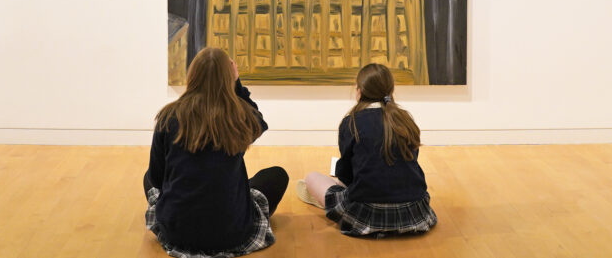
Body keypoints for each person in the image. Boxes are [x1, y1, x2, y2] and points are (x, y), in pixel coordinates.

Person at [144, 47, 288, 257]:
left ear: (192, 75)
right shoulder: (240, 117)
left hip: (177, 234)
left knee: (147, 178)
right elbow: (260, 122)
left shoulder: (169, 116)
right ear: (228, 78)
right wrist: (237, 84)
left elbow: (157, 179)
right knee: (277, 175)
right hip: (232, 234)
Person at [296, 62, 437, 238]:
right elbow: (410, 162)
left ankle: (330, 202)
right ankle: (332, 199)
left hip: (367, 213)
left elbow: (346, 175)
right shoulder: (405, 120)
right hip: (413, 211)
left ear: (359, 91)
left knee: (312, 178)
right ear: (390, 90)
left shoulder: (352, 123)